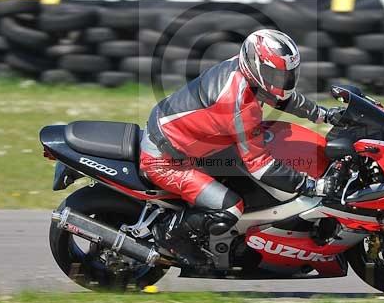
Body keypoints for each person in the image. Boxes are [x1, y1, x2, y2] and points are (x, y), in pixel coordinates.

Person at [140, 28, 343, 265]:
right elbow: (260, 166)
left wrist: (323, 115)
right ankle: (171, 238)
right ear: (256, 66)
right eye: (275, 74)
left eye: (286, 74)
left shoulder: (245, 70)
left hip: (192, 141)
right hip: (165, 160)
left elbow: (280, 96)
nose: (282, 81)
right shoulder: (238, 104)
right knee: (230, 207)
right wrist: (310, 185)